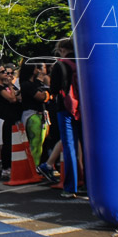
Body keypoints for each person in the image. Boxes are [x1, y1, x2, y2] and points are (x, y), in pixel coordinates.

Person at [50, 38, 85, 198]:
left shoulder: (60, 65)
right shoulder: (82, 61)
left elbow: (54, 88)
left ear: (62, 49)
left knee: (69, 146)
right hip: (84, 108)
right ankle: (91, 182)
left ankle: (71, 186)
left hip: (65, 108)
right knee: (86, 146)